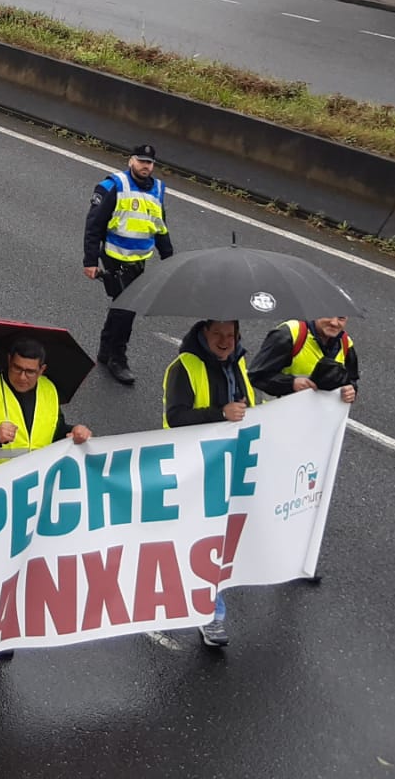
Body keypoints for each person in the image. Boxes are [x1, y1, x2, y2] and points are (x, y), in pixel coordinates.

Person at [161, 319, 265, 648]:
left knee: (215, 542)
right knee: (195, 541)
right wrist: (220, 414)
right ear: (203, 333)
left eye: (230, 335)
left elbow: (250, 407)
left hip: (231, 466)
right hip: (192, 470)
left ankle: (207, 611)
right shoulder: (184, 367)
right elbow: (176, 417)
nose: (224, 341)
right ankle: (199, 611)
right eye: (217, 334)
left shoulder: (239, 362)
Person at [83, 144, 175, 386]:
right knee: (127, 309)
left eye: (150, 163)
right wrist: (90, 260)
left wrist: (170, 259)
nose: (146, 166)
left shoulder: (158, 189)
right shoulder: (113, 186)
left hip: (139, 261)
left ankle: (105, 350)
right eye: (141, 161)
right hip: (115, 258)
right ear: (130, 161)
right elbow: (94, 225)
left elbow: (159, 225)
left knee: (121, 306)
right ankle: (117, 358)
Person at [0, 336, 92, 465]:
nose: (22, 377)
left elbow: (55, 430)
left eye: (30, 372)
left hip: (36, 479)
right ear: (9, 360)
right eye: (17, 368)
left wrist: (73, 431)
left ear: (41, 370)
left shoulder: (49, 389)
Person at [248, 316, 361, 405]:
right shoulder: (289, 334)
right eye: (328, 315)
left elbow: (351, 379)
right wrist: (292, 384)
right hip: (280, 418)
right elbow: (256, 376)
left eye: (341, 318)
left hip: (318, 424)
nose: (334, 322)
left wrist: (351, 391)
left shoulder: (346, 343)